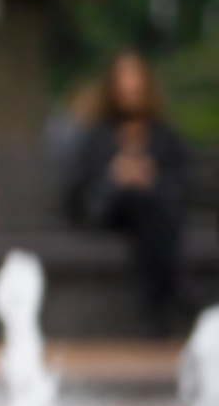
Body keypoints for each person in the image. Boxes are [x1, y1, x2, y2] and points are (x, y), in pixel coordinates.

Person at [64, 49, 193, 336]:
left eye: (134, 78)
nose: (129, 86)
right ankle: (176, 289)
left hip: (153, 218)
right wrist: (116, 176)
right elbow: (80, 191)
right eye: (123, 78)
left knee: (146, 204)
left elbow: (183, 183)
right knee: (142, 203)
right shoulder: (98, 135)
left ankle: (156, 314)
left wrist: (150, 177)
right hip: (108, 213)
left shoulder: (163, 135)